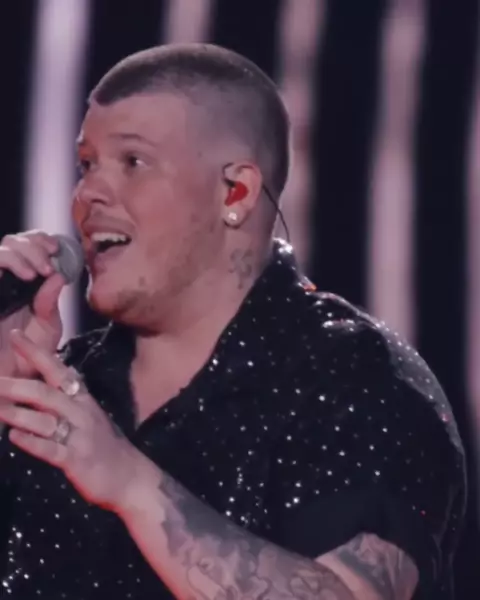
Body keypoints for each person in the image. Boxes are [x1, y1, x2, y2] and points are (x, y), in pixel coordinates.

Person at [0, 43, 465, 600]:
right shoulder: (60, 389)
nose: (87, 193)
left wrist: (129, 483)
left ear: (236, 191)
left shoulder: (357, 379)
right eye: (87, 164)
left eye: (133, 162)